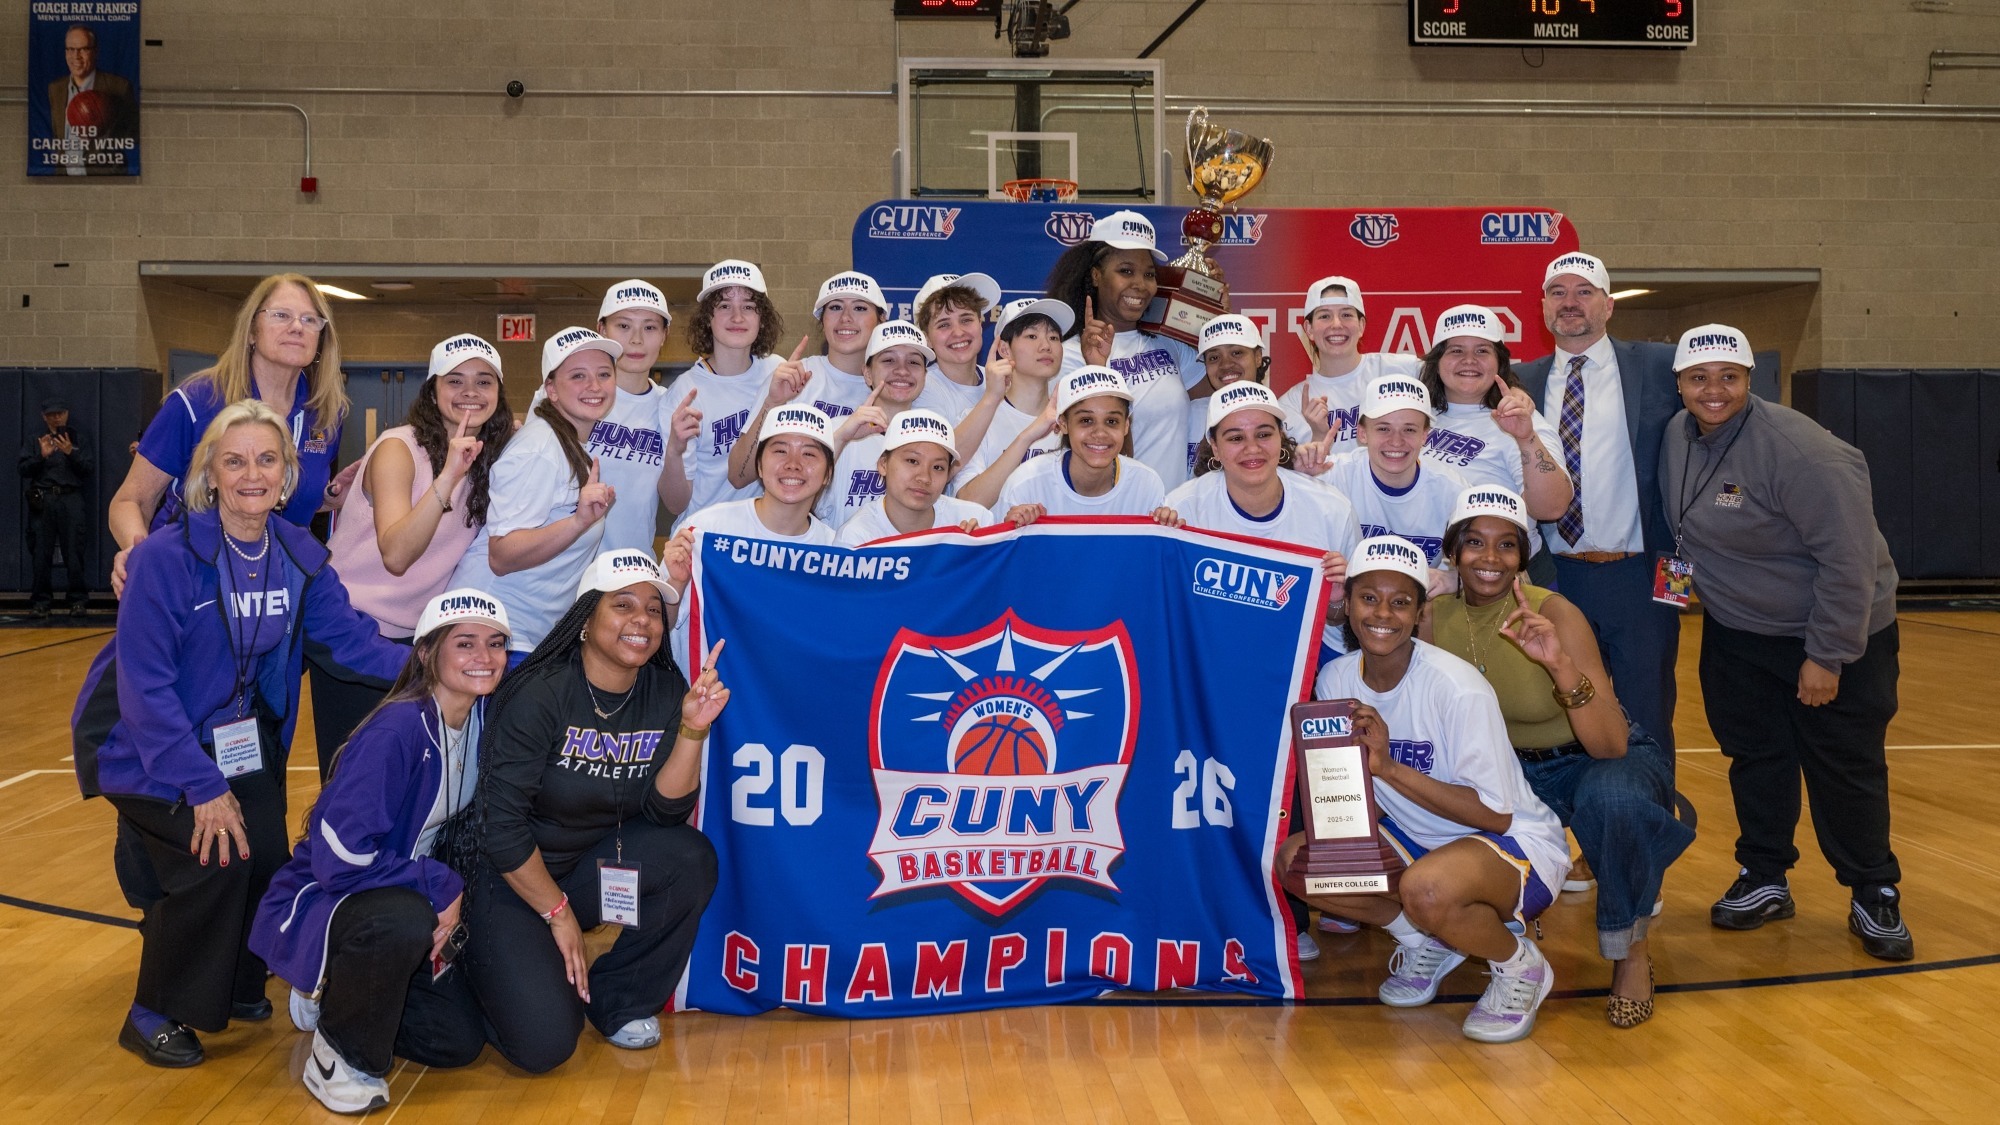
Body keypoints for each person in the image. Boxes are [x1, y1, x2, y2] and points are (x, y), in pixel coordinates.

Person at [70, 400, 406, 1068]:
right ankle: (152, 1010)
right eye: (234, 460)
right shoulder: (163, 559)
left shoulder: (299, 553)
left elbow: (355, 644)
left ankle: (239, 982)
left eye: (266, 459)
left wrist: (449, 669)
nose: (251, 472)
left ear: (286, 476)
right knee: (216, 855)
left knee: (271, 853)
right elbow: (145, 691)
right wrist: (201, 787)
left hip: (236, 738)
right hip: (142, 741)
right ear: (211, 475)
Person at [1661, 324, 1912, 961]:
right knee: (1755, 756)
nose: (1713, 390)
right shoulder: (1677, 435)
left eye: (1728, 377)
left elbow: (1850, 564)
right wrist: (1674, 595)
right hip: (1739, 632)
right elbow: (1686, 528)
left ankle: (1873, 888)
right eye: (1698, 378)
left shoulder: (1804, 453)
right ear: (1680, 385)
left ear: (1751, 379)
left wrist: (1827, 656)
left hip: (1831, 632)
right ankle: (1765, 876)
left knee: (1844, 765)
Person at [1281, 535, 1571, 1044]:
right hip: (1418, 841)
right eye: (1369, 598)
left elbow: (1496, 817)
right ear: (1346, 605)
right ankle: (1423, 938)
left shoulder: (1455, 688)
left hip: (1514, 846)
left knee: (1427, 888)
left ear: (1419, 615)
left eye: (1400, 602)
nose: (1383, 614)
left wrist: (1389, 768)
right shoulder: (1335, 678)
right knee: (1299, 864)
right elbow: (1346, 798)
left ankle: (1520, 966)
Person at [1428, 485, 1692, 1026]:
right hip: (1504, 771)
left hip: (1586, 756)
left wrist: (1559, 667)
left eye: (1507, 546)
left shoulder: (1557, 613)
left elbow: (1610, 745)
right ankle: (1504, 923)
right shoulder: (1434, 619)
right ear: (1452, 552)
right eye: (1474, 543)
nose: (1489, 559)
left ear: (1523, 557)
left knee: (1616, 798)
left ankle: (1631, 953)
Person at [248, 589, 510, 1113]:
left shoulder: (480, 720)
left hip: (402, 893)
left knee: (452, 1044)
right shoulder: (398, 729)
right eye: (465, 644)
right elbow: (339, 858)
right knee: (402, 919)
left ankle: (338, 990)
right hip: (330, 894)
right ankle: (337, 1056)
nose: (485, 657)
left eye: (496, 643)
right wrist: (440, 884)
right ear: (425, 654)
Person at [466, 551, 725, 1072]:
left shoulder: (665, 689)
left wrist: (693, 727)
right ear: (586, 620)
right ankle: (470, 974)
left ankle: (619, 999)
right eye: (623, 605)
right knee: (544, 1044)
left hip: (589, 872)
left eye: (654, 610)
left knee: (688, 857)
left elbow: (665, 812)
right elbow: (500, 826)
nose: (642, 620)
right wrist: (556, 915)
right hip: (510, 878)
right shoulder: (540, 694)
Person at [315, 333, 513, 778]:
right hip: (353, 629)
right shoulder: (398, 448)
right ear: (432, 390)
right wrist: (448, 477)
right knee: (355, 776)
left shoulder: (493, 455)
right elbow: (397, 554)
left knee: (412, 775)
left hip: (420, 637)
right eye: (455, 381)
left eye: (484, 382)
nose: (470, 392)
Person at [1512, 252, 1682, 752]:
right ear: (1542, 306)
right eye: (1557, 292)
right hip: (1555, 578)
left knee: (1649, 712)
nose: (1570, 303)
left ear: (1608, 306)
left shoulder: (1660, 365)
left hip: (1646, 576)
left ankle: (1651, 825)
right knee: (1563, 716)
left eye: (1583, 292)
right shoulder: (1518, 381)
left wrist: (1679, 587)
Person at [108, 273, 349, 597]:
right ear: (251, 330)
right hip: (193, 586)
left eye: (310, 319)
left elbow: (277, 500)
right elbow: (130, 500)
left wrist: (326, 498)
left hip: (278, 591)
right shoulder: (198, 401)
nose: (297, 327)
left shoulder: (326, 413)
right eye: (281, 315)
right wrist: (142, 557)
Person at [449, 327, 620, 662]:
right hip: (493, 634)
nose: (594, 386)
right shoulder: (539, 448)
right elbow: (501, 556)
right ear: (551, 390)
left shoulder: (566, 444)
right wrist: (577, 522)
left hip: (520, 633)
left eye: (603, 374)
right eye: (578, 376)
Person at [1415, 305, 1573, 586]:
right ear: (1436, 361)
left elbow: (1552, 508)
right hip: (1425, 579)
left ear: (1499, 362)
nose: (1469, 360)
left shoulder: (1521, 420)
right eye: (1455, 350)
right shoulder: (1416, 415)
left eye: (1482, 351)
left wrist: (1525, 437)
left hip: (1503, 583)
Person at [1051, 210, 1205, 491]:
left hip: (1173, 515)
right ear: (1096, 276)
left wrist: (1214, 314)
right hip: (1118, 515)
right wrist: (1097, 368)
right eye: (1126, 271)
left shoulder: (1168, 344)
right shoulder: (1065, 357)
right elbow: (1105, 453)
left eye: (1148, 274)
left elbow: (1221, 405)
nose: (1140, 284)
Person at [724, 270, 890, 490]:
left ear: (881, 320)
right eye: (835, 307)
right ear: (822, 320)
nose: (846, 318)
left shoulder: (898, 385)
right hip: (802, 522)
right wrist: (772, 404)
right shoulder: (795, 378)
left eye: (859, 308)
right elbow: (739, 475)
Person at [659, 260, 783, 530]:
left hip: (761, 538)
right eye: (724, 306)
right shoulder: (684, 393)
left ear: (762, 319)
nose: (737, 317)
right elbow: (674, 504)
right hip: (702, 540)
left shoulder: (777, 372)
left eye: (748, 307)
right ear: (708, 319)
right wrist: (674, 451)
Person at [1316, 374, 1470, 587]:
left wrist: (1457, 579)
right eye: (1383, 428)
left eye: (1409, 429)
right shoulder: (1331, 475)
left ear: (1425, 435)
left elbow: (1493, 558)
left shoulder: (1453, 491)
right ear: (1362, 433)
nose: (1396, 441)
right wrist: (1294, 463)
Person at [995, 366, 1171, 523]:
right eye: (1086, 420)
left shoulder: (1146, 484)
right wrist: (1013, 529)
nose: (1100, 433)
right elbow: (999, 556)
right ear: (1063, 424)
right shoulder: (1026, 485)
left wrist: (1169, 530)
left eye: (1111, 421)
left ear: (1126, 426)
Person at [1276, 276, 1420, 454]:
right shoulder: (1290, 404)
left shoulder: (1404, 370)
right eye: (1324, 316)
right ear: (1309, 329)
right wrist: (1319, 435)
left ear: (1361, 325)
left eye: (1346, 315)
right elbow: (1300, 475)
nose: (1336, 324)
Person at [952, 296, 1074, 507]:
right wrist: (1026, 438)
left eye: (1054, 338)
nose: (1046, 346)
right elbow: (968, 503)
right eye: (1032, 336)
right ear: (1005, 349)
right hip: (1001, 539)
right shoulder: (978, 418)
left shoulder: (1074, 418)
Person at [583, 279, 675, 553]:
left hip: (631, 570)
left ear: (664, 335)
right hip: (565, 576)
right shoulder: (568, 397)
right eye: (623, 326)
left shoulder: (668, 407)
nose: (636, 339)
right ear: (601, 330)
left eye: (649, 327)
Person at [820, 321, 936, 527]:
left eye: (914, 362)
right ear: (867, 373)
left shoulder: (935, 437)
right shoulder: (835, 429)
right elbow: (803, 507)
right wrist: (841, 438)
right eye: (889, 360)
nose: (902, 371)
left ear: (925, 376)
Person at [1186, 314, 1312, 480]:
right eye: (1214, 357)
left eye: (1237, 353)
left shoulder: (1289, 420)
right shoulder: (1188, 415)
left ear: (1258, 357)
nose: (1226, 365)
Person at [835, 410, 988, 546]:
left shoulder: (975, 520)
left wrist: (980, 552)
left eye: (938, 467)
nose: (924, 477)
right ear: (883, 464)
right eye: (912, 461)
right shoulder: (856, 539)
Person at [20, 396, 92, 617]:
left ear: (66, 413)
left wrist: (72, 453)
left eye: (60, 413)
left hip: (71, 499)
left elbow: (88, 469)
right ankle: (41, 601)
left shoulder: (78, 438)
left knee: (74, 551)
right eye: (51, 414)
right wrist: (40, 457)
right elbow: (23, 470)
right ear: (44, 417)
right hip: (44, 500)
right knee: (41, 552)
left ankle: (77, 600)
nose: (56, 417)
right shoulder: (35, 439)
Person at [912, 271, 1003, 426]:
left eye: (966, 320)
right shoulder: (921, 388)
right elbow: (944, 451)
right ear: (927, 339)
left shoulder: (999, 380)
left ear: (980, 325)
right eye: (944, 325)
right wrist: (992, 397)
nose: (959, 332)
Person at [47, 23, 136, 175]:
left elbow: (132, 135)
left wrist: (102, 122)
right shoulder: (56, 89)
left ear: (95, 52)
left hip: (105, 180)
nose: (76, 56)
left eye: (83, 49)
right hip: (64, 180)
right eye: (71, 49)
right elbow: (58, 137)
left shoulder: (119, 87)